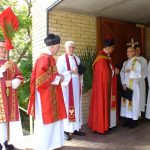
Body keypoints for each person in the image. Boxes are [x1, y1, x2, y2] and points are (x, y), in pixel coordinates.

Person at [27, 34, 67, 150]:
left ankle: (53, 143)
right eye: (58, 47)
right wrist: (58, 77)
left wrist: (57, 76)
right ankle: (46, 145)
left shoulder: (48, 57)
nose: (58, 49)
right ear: (52, 46)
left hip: (50, 92)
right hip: (45, 94)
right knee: (47, 118)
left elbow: (49, 74)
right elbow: (40, 79)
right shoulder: (45, 57)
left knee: (53, 119)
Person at [88, 37, 119, 134]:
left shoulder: (107, 56)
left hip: (107, 87)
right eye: (112, 48)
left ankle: (108, 124)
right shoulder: (101, 58)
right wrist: (115, 72)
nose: (113, 50)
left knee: (107, 105)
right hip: (103, 88)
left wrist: (113, 72)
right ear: (109, 47)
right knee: (102, 105)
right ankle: (101, 127)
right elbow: (105, 74)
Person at [57, 41, 86, 141]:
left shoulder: (76, 58)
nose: (71, 49)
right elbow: (59, 74)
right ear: (65, 48)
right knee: (67, 106)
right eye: (69, 47)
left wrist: (81, 71)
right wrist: (70, 71)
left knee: (77, 106)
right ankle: (65, 130)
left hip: (76, 85)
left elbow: (80, 71)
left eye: (73, 47)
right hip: (67, 87)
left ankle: (75, 128)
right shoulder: (61, 59)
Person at [0, 40, 24, 150]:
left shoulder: (12, 63)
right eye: (0, 47)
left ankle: (5, 141)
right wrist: (3, 69)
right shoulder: (6, 64)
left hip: (10, 97)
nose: (3, 50)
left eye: (4, 47)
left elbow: (20, 76)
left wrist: (13, 82)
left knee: (7, 120)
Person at [120, 47, 141, 128]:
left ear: (134, 53)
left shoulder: (137, 63)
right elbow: (122, 73)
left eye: (129, 51)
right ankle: (127, 120)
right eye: (127, 51)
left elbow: (139, 75)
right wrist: (123, 83)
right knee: (126, 103)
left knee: (133, 103)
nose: (127, 53)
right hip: (126, 85)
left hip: (134, 86)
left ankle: (134, 121)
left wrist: (131, 71)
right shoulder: (125, 63)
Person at [135, 46, 147, 114]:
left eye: (139, 50)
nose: (137, 51)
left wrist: (141, 77)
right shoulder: (132, 60)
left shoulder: (143, 60)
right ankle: (136, 112)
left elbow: (146, 70)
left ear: (140, 51)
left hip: (141, 80)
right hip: (134, 81)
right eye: (136, 50)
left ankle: (140, 112)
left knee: (141, 96)